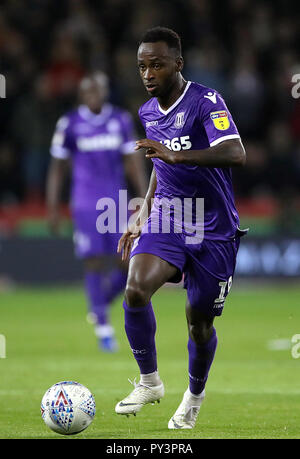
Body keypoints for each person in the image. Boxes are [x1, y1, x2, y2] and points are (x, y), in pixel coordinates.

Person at [115, 27, 247, 428]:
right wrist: (142, 215)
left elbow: (235, 152)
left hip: (214, 229)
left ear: (178, 64)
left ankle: (194, 395)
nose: (148, 74)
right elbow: (159, 165)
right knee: (136, 289)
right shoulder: (147, 112)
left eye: (156, 65)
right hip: (171, 218)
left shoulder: (207, 101)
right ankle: (150, 381)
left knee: (199, 322)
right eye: (142, 67)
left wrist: (177, 155)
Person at [46, 72, 147, 352]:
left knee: (128, 261)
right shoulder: (70, 123)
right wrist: (52, 207)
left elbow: (133, 161)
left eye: (98, 89)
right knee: (93, 261)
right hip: (86, 201)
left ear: (104, 92)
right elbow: (57, 168)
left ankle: (100, 302)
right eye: (88, 90)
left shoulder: (120, 120)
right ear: (81, 94)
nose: (94, 95)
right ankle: (103, 327)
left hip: (116, 201)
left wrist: (144, 199)